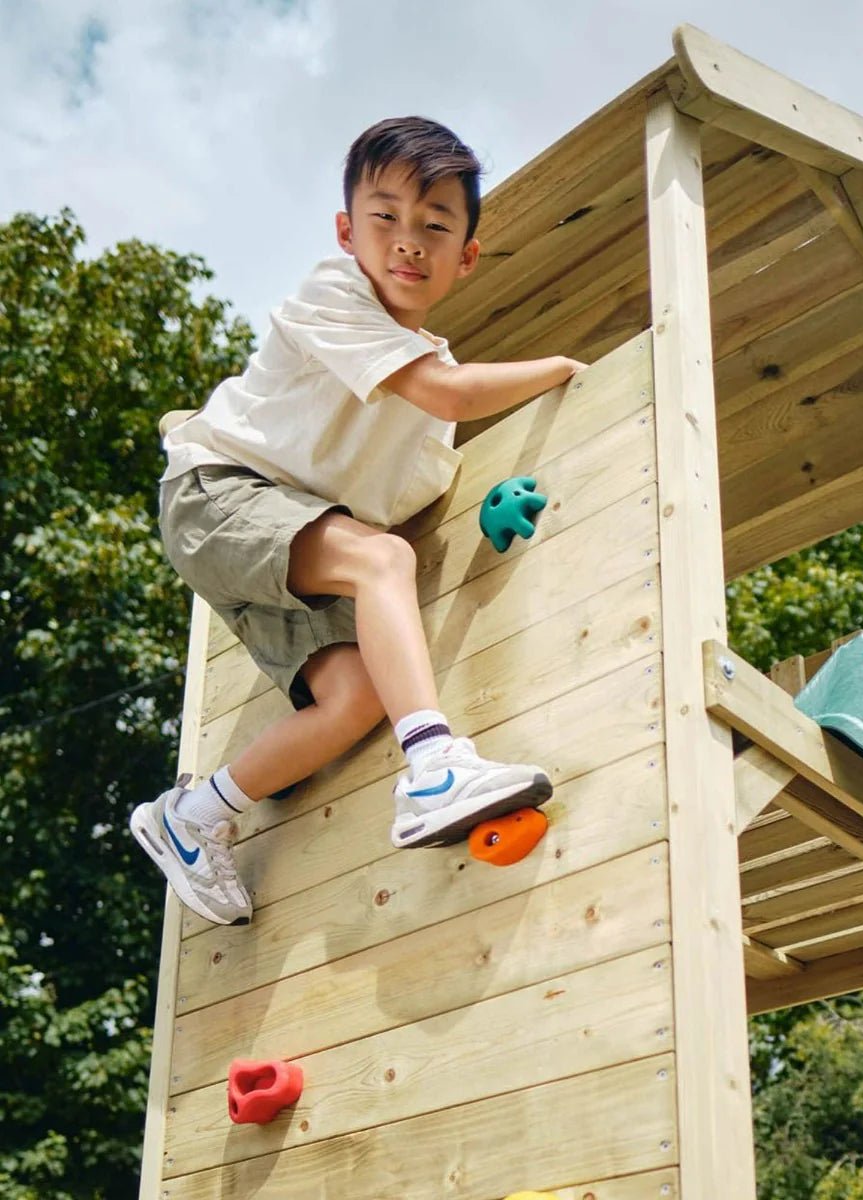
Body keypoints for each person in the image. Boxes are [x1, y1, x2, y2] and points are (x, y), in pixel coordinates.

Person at [129, 116, 585, 927]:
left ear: (466, 255)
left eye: (435, 226)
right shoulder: (331, 295)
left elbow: (421, 478)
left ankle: (192, 818)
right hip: (216, 492)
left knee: (358, 698)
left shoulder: (425, 409)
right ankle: (435, 766)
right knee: (379, 562)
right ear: (348, 232)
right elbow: (450, 395)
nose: (408, 242)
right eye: (385, 219)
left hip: (287, 538)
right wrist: (560, 367)